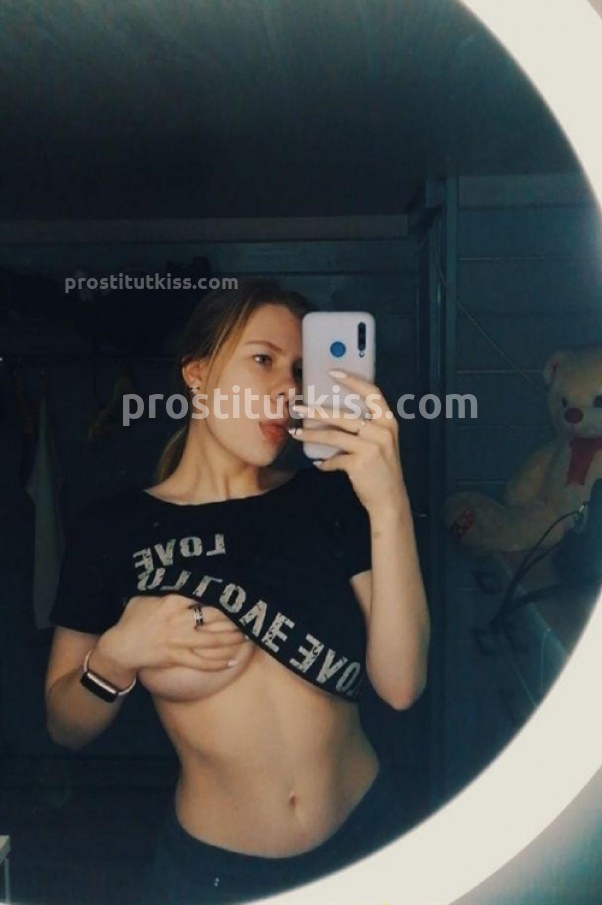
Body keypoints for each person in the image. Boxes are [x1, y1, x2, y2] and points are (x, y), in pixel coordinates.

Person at [45, 278, 430, 905]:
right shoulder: (112, 530)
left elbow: (402, 685)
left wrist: (389, 500)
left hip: (370, 839)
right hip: (214, 879)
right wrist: (118, 654)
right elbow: (65, 727)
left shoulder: (329, 497)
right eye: (263, 359)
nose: (288, 389)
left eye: (300, 370)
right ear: (197, 375)